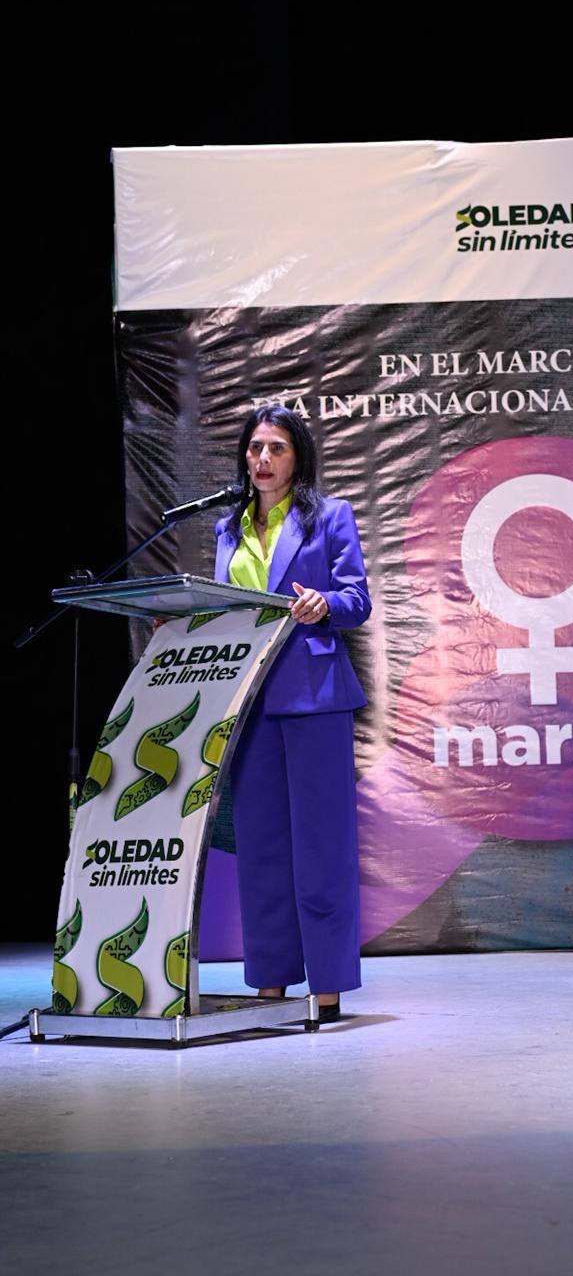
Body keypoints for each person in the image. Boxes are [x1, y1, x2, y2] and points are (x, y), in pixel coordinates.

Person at [213, 404, 371, 1022]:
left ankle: (327, 986)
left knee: (322, 847)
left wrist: (323, 603)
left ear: (297, 457)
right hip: (248, 701)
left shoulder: (329, 516)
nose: (262, 459)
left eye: (276, 448)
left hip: (314, 697)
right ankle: (271, 980)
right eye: (255, 448)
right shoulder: (228, 527)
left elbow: (357, 600)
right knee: (261, 849)